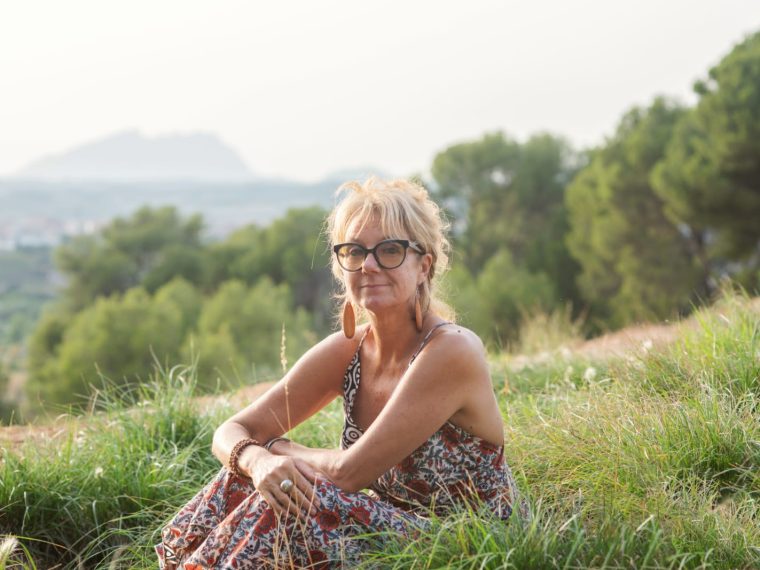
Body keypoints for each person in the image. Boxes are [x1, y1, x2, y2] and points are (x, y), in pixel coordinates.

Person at [155, 178, 529, 569]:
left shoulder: (451, 350)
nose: (369, 265)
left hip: (473, 543)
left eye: (389, 250)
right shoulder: (348, 351)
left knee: (293, 495)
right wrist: (257, 461)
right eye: (354, 251)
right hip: (392, 528)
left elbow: (348, 474)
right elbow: (231, 430)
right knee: (245, 476)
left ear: (424, 266)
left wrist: (277, 450)